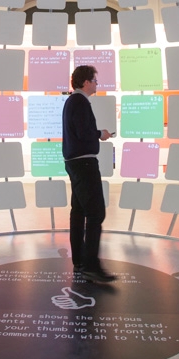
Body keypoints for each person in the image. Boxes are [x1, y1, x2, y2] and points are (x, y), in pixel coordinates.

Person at [63, 65, 115, 283]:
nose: (96, 84)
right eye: (95, 81)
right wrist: (100, 134)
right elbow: (84, 132)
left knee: (79, 212)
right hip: (84, 164)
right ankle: (91, 266)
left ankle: (80, 261)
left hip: (75, 163)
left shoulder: (72, 101)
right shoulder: (79, 102)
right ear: (86, 82)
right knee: (95, 213)